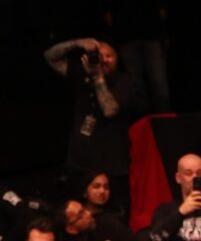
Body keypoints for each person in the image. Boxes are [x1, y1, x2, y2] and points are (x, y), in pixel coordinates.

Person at [43, 36, 137, 208]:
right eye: (99, 55)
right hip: (81, 161)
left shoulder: (125, 81)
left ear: (117, 58)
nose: (104, 60)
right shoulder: (82, 73)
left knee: (112, 214)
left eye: (109, 56)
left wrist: (97, 78)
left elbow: (110, 110)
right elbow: (50, 56)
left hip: (112, 165)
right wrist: (77, 43)